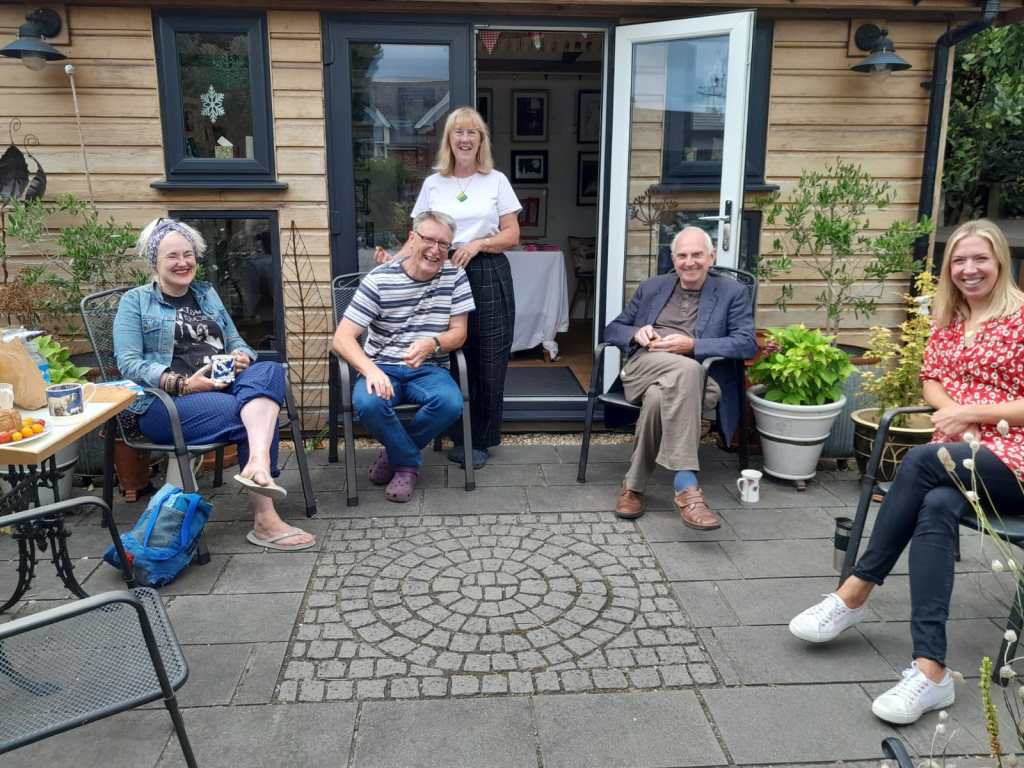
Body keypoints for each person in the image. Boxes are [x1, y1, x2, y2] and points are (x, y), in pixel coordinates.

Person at [789, 219, 1024, 725]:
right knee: (936, 506)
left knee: (918, 460)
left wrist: (972, 414)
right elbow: (931, 379)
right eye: (959, 260)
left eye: (980, 259)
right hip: (958, 458)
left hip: (1015, 460)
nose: (969, 269)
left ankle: (856, 589)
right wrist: (953, 411)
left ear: (1000, 261)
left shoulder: (1021, 318)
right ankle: (931, 671)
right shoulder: (950, 318)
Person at [114, 218, 315, 552]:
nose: (183, 262)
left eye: (188, 254)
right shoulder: (135, 302)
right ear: (154, 262)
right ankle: (265, 520)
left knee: (269, 371)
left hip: (223, 385)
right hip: (167, 403)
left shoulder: (206, 294)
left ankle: (257, 463)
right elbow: (129, 363)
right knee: (248, 414)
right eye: (172, 256)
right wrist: (182, 383)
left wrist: (241, 356)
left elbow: (237, 341)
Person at [376, 106, 521, 470]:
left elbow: (512, 235)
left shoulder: (496, 181)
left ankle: (479, 440)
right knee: (449, 354)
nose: (465, 139)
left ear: (481, 140)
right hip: (439, 271)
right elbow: (417, 237)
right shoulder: (433, 184)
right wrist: (393, 262)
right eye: (459, 132)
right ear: (449, 140)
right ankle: (453, 432)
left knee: (487, 358)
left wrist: (480, 243)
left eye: (472, 132)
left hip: (486, 270)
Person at [604, 226, 756, 528]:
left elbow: (746, 343)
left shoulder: (732, 292)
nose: (689, 262)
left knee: (659, 397)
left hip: (694, 376)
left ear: (711, 257)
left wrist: (693, 345)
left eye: (697, 254)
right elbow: (612, 329)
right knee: (687, 370)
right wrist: (636, 333)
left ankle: (633, 487)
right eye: (682, 256)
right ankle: (686, 484)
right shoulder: (652, 287)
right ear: (673, 260)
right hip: (645, 366)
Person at [336, 211, 475, 502]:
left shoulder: (455, 276)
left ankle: (394, 458)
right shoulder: (379, 280)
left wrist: (433, 343)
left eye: (444, 244)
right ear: (412, 238)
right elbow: (342, 339)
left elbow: (459, 333)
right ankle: (408, 464)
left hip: (429, 368)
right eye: (429, 240)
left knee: (450, 403)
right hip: (382, 366)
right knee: (368, 403)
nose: (436, 250)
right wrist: (371, 370)